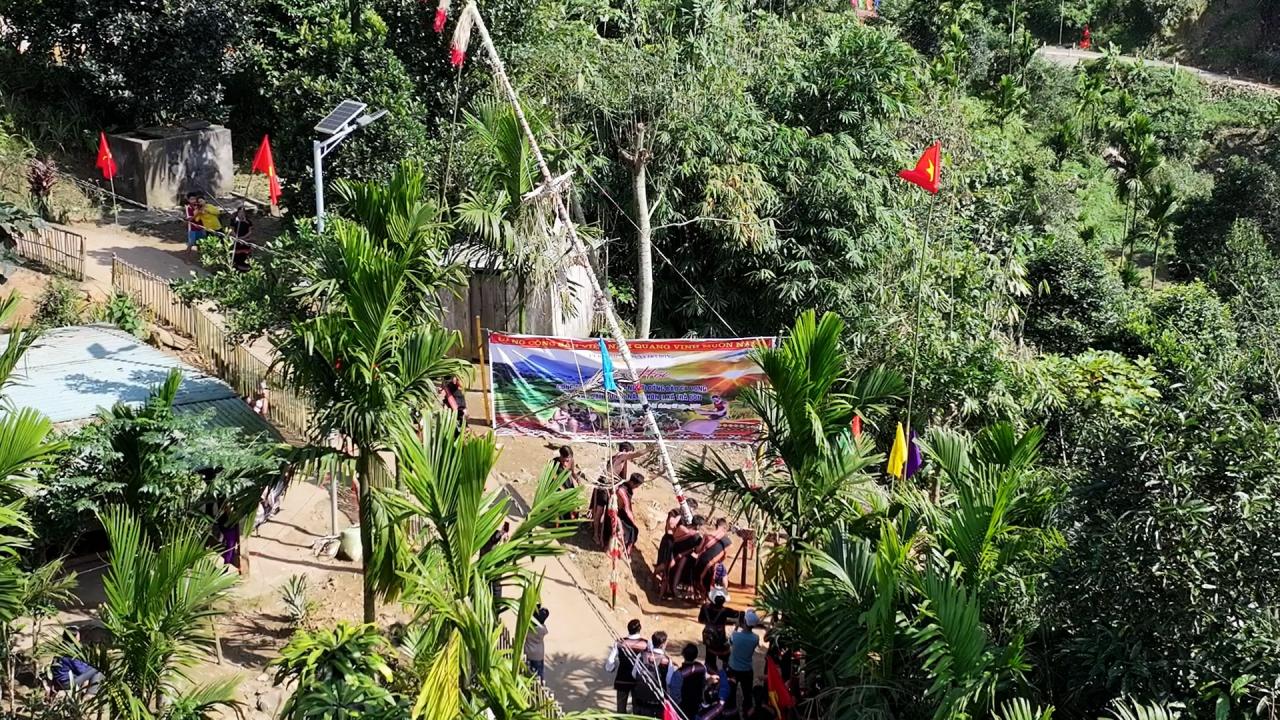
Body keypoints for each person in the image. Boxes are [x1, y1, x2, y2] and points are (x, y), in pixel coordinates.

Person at [605, 618, 650, 713]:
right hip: (638, 681)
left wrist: (611, 668)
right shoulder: (646, 644)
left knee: (621, 710)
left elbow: (610, 661)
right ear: (640, 629)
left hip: (622, 679)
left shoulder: (619, 642)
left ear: (628, 629)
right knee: (637, 709)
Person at [630, 631, 678, 718]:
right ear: (663, 644)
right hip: (657, 702)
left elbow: (634, 674)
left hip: (640, 700)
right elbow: (669, 681)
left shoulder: (641, 655)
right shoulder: (667, 661)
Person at [52, 628, 103, 695]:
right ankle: (90, 694)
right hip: (66, 683)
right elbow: (81, 670)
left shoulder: (62, 647)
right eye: (78, 636)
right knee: (97, 669)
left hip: (58, 680)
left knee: (92, 669)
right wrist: (90, 665)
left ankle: (86, 688)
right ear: (74, 638)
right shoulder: (71, 653)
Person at [690, 519, 733, 595]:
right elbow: (725, 556)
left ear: (716, 526)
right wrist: (718, 562)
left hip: (701, 562)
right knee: (723, 573)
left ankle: (702, 594)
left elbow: (698, 550)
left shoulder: (707, 535)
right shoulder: (727, 541)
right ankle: (722, 594)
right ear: (724, 528)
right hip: (712, 564)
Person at [728, 615, 760, 712]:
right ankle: (746, 711)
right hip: (747, 669)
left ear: (744, 622)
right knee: (747, 693)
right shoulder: (755, 638)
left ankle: (731, 710)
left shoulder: (735, 635)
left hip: (733, 668)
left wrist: (737, 627)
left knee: (731, 691)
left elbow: (730, 642)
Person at [699, 592, 734, 673]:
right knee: (726, 657)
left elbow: (700, 620)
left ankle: (712, 676)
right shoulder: (725, 611)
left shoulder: (704, 607)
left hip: (709, 636)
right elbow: (737, 614)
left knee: (710, 660)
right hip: (720, 638)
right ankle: (725, 675)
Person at [673, 643, 708, 720]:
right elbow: (704, 684)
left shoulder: (679, 673)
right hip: (697, 704)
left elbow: (675, 693)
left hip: (684, 708)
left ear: (683, 654)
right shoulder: (702, 668)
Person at [525, 605, 550, 681]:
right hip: (538, 655)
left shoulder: (529, 627)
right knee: (539, 673)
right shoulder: (542, 630)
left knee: (528, 671)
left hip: (528, 652)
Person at [230, 205, 254, 271]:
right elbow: (231, 230)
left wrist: (243, 237)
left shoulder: (248, 222)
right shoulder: (234, 221)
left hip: (245, 239)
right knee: (236, 252)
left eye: (243, 212)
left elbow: (250, 231)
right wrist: (236, 237)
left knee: (245, 252)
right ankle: (236, 265)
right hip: (236, 238)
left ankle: (245, 265)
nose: (241, 214)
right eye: (240, 212)